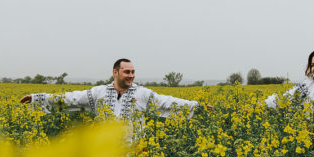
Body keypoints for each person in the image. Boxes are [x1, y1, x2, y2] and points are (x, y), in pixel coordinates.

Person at [20, 59, 207, 119]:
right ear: (115, 72)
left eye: (133, 72)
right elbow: (71, 99)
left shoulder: (142, 93)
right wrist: (38, 98)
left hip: (133, 151)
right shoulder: (99, 93)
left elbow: (167, 102)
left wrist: (196, 106)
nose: (131, 75)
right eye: (127, 72)